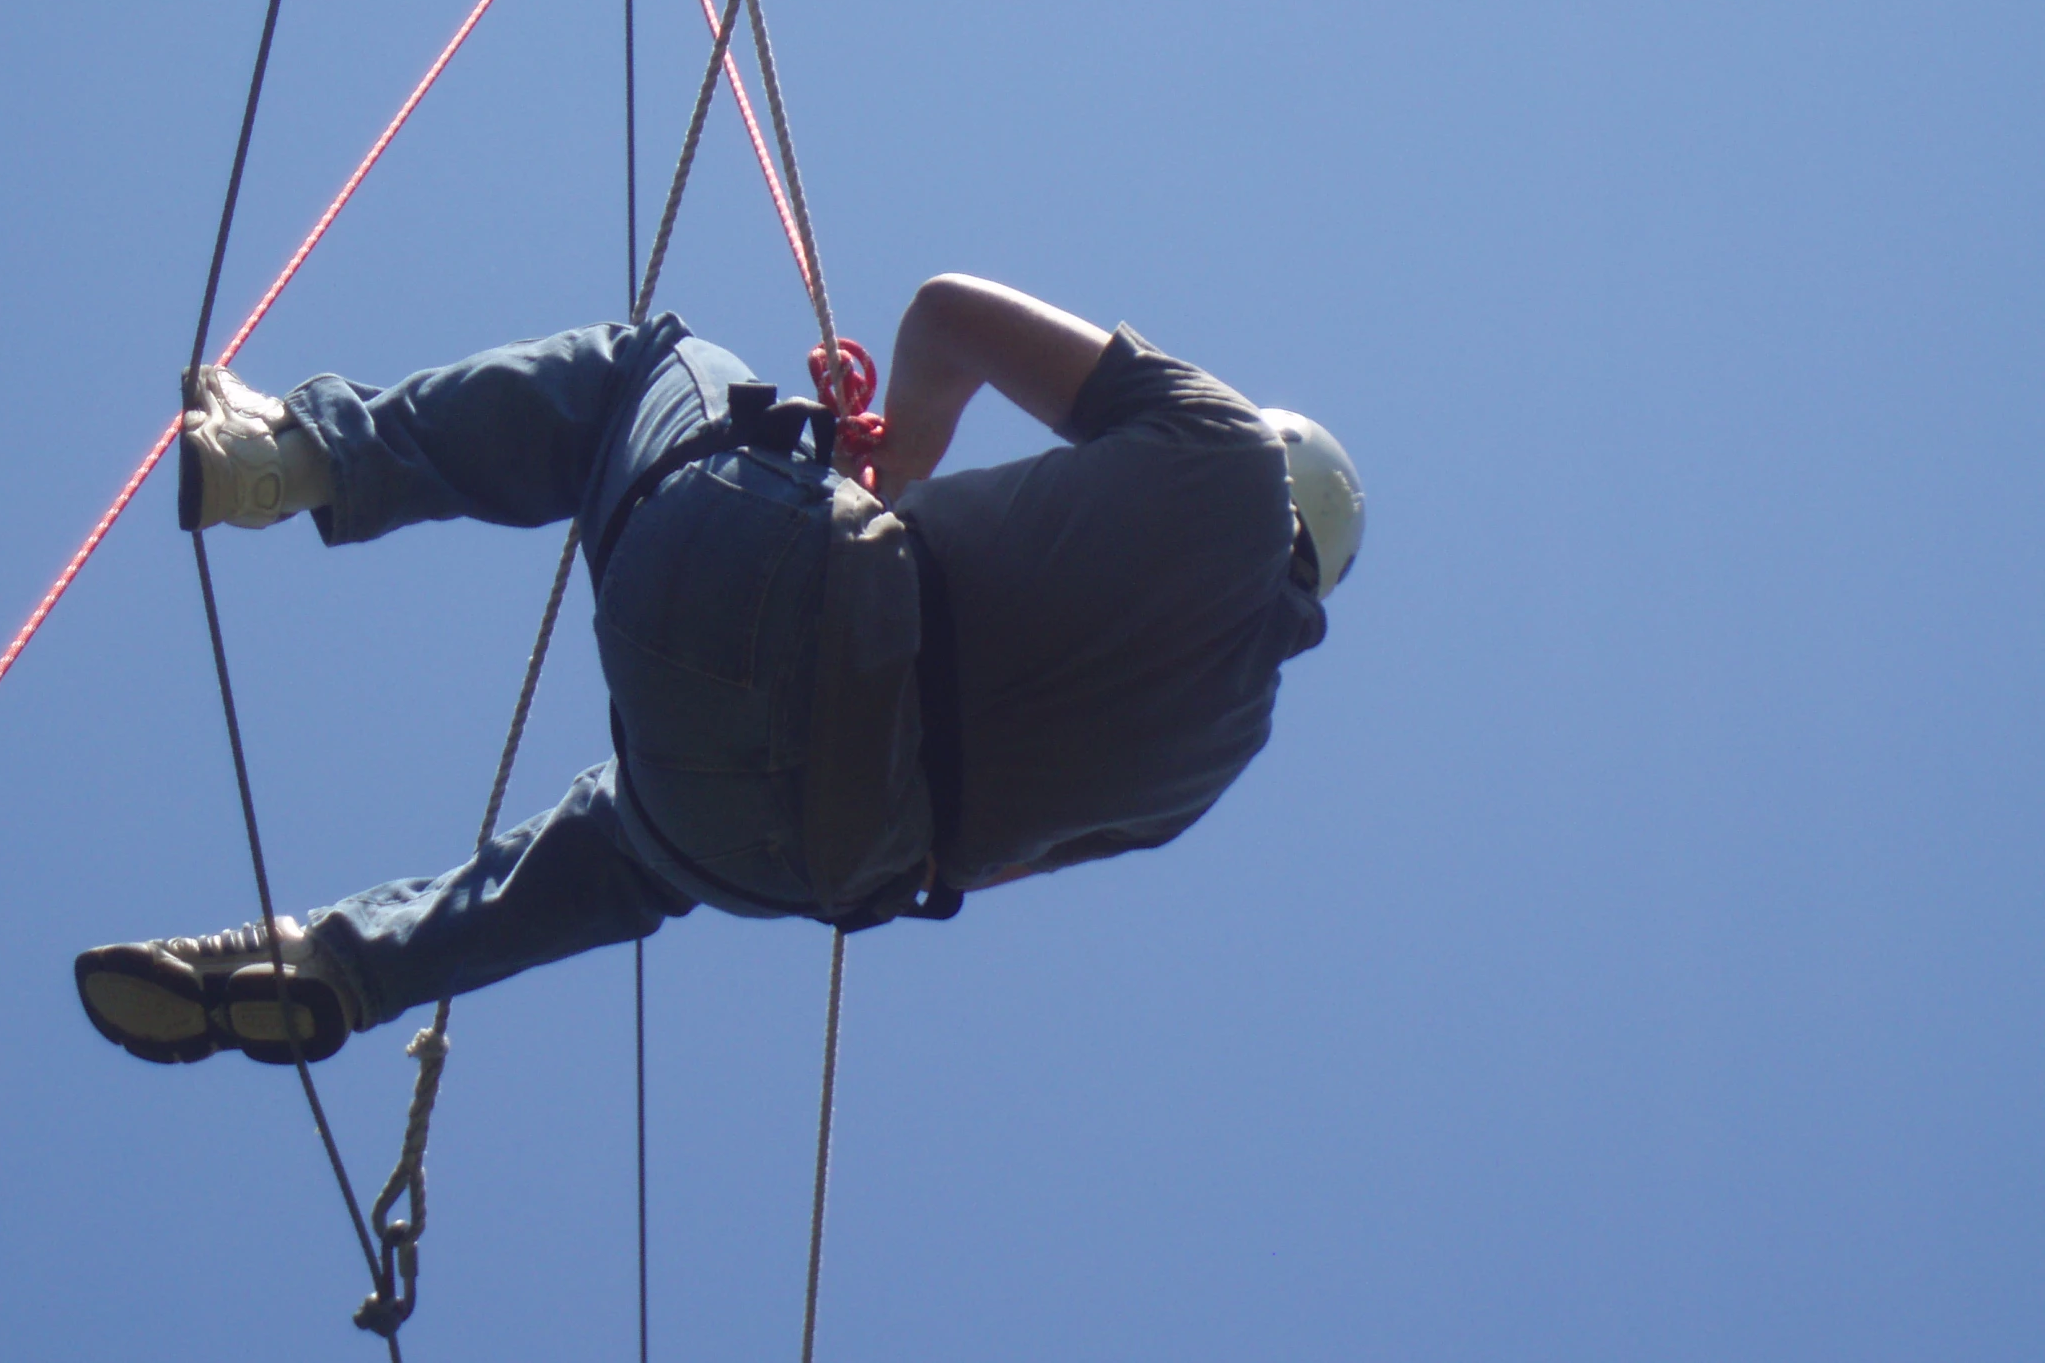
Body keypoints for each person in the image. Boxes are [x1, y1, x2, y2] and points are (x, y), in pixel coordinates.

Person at [75, 275, 1364, 1066]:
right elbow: (988, 857)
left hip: (773, 593)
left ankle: (301, 454)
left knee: (652, 367)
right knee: (629, 857)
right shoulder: (1217, 762)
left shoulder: (1225, 454)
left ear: (1279, 450)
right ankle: (335, 968)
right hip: (791, 854)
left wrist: (890, 460)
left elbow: (946, 314)